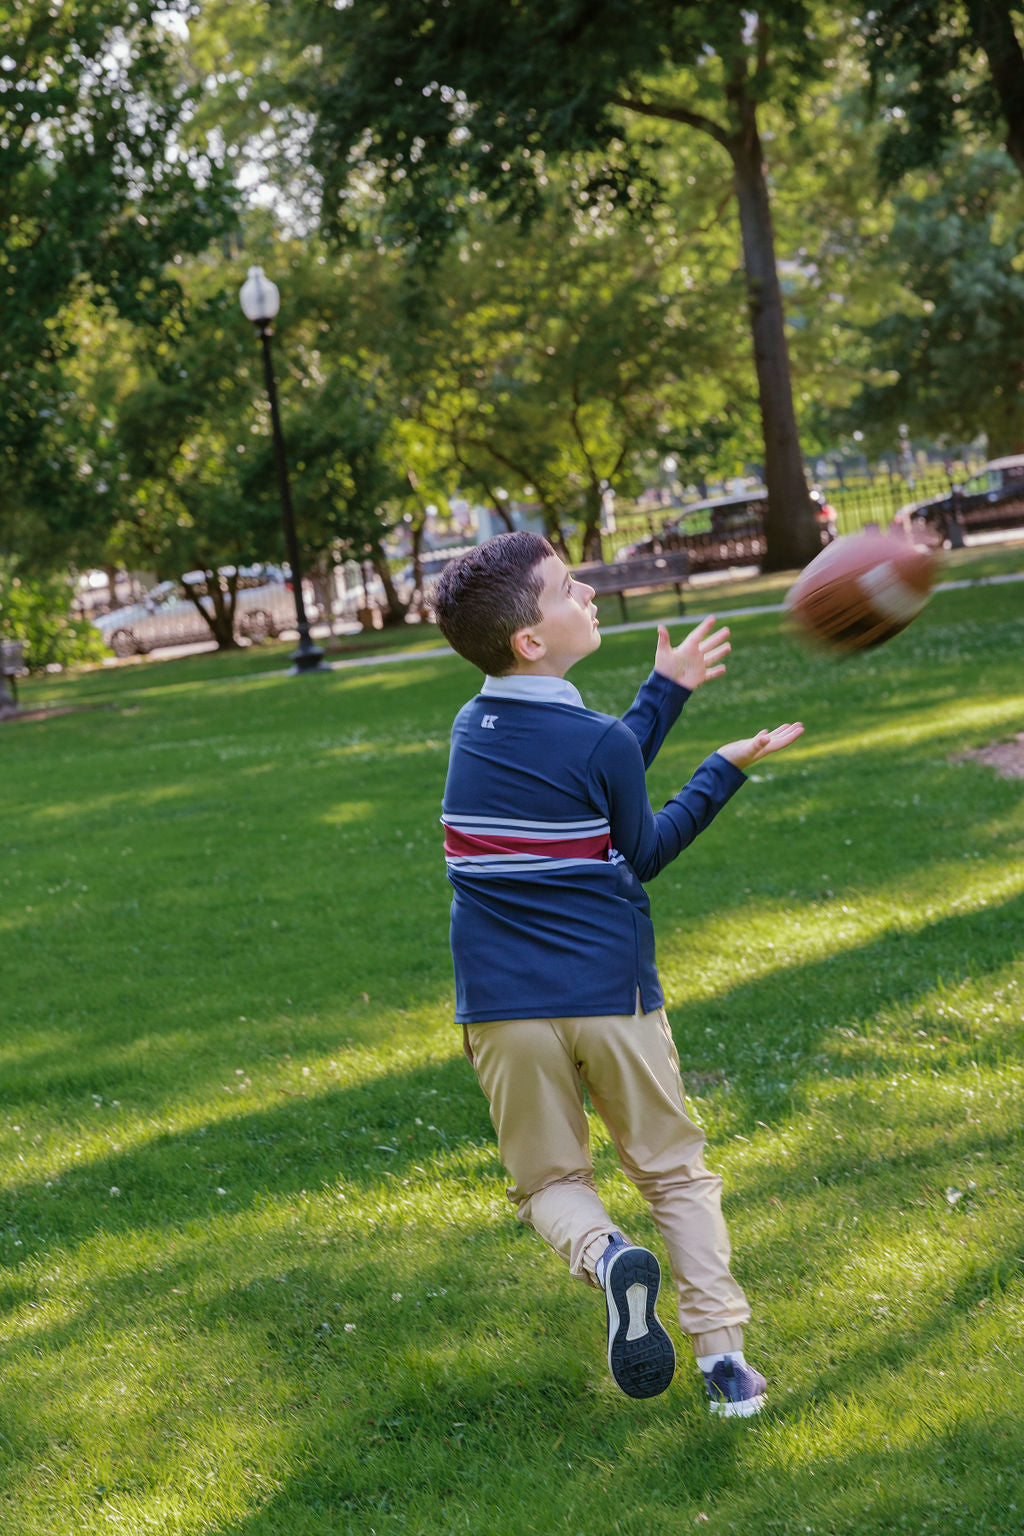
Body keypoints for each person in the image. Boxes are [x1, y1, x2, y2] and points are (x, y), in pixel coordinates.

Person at [433, 531, 804, 1417]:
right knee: (674, 1174)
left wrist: (665, 691)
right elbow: (643, 844)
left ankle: (605, 1257)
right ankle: (724, 1366)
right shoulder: (594, 742)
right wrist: (722, 769)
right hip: (612, 997)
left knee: (551, 1186)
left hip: (504, 1011)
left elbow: (597, 763)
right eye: (569, 587)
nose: (590, 592)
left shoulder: (470, 729)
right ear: (532, 639)